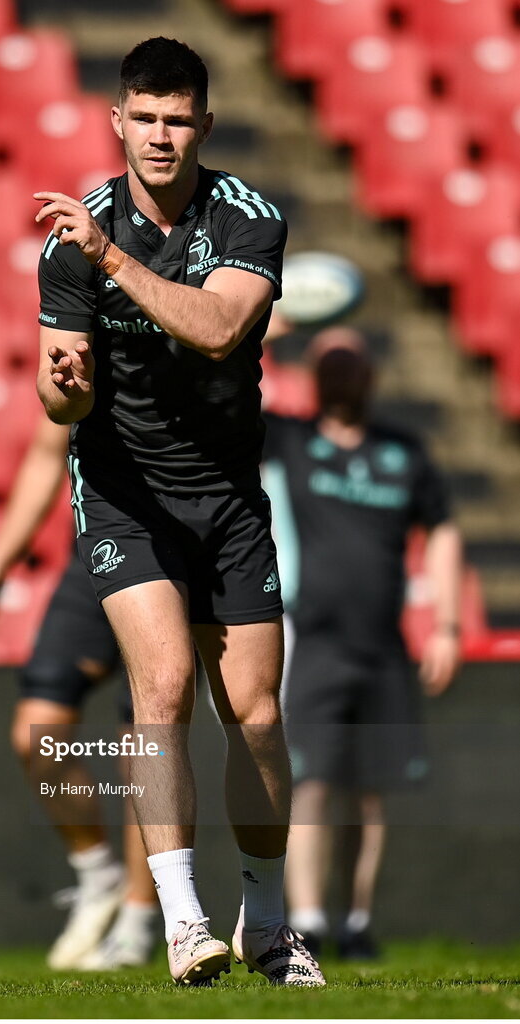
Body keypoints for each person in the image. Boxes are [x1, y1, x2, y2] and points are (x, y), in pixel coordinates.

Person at [33, 36, 325, 986]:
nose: (159, 136)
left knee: (254, 713)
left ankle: (268, 921)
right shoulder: (68, 243)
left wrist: (110, 257)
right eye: (142, 118)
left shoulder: (246, 220)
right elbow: (58, 398)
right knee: (157, 691)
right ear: (116, 120)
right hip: (125, 494)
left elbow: (218, 330)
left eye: (176, 119)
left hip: (229, 497)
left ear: (203, 123)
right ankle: (183, 920)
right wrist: (69, 386)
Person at [262, 327, 463, 959]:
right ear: (314, 377)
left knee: (369, 790)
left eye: (352, 363)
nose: (342, 375)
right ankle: (310, 919)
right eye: (330, 363)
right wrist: (261, 335)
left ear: (371, 375)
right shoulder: (291, 439)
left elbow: (444, 533)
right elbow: (220, 391)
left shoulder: (403, 451)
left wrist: (450, 626)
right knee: (313, 780)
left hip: (384, 646)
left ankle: (354, 920)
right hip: (317, 642)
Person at [0, 413, 160, 971]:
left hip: (176, 560)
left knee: (145, 751)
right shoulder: (81, 331)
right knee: (35, 734)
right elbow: (49, 453)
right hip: (97, 555)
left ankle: (139, 924)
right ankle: (98, 878)